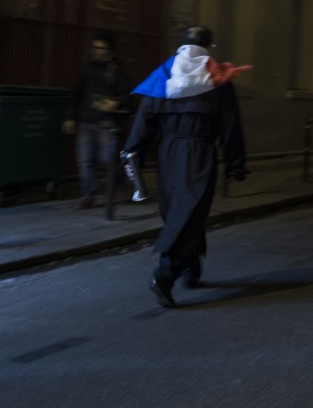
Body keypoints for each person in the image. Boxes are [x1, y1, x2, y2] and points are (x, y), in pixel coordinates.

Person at [122, 25, 251, 308]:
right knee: (190, 214)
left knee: (180, 213)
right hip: (199, 153)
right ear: (210, 46)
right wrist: (236, 163)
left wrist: (134, 153)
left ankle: (192, 269)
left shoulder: (164, 75)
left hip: (167, 153)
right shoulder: (218, 80)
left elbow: (145, 118)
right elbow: (230, 124)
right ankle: (165, 275)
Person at [62, 33, 131, 209]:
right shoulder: (85, 69)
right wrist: (70, 117)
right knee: (85, 160)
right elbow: (75, 94)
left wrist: (115, 103)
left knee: (107, 159)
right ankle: (88, 195)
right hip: (85, 121)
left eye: (102, 48)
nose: (98, 52)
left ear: (110, 50)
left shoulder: (116, 70)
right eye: (95, 48)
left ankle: (120, 185)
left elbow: (127, 97)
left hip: (106, 122)